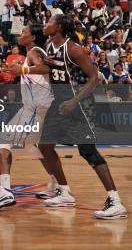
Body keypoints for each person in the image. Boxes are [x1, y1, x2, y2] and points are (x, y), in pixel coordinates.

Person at [38, 14, 127, 219]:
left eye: (50, 22)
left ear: (59, 27)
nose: (46, 24)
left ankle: (115, 201)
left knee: (88, 151)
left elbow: (94, 77)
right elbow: (55, 71)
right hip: (59, 104)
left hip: (79, 106)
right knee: (44, 145)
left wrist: (73, 101)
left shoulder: (73, 49)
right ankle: (64, 192)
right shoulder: (51, 46)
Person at [0, 23, 52, 210]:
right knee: (33, 146)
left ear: (33, 37)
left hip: (35, 107)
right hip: (37, 106)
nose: (21, 34)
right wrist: (14, 69)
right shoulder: (32, 52)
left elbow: (45, 69)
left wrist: (22, 70)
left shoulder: (34, 51)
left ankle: (5, 192)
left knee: (0, 142)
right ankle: (58, 186)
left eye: (24, 32)